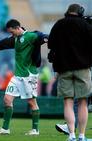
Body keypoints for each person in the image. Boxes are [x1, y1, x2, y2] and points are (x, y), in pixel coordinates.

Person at [0, 19, 48, 135]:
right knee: (7, 100)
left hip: (28, 75)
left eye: (12, 32)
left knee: (32, 102)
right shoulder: (15, 39)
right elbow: (2, 44)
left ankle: (35, 130)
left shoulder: (31, 36)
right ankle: (5, 129)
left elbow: (44, 37)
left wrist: (45, 38)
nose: (11, 34)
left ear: (17, 28)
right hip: (17, 75)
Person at [48, 4, 92, 141]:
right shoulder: (85, 25)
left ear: (68, 11)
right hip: (83, 68)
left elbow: (50, 45)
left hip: (63, 68)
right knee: (83, 102)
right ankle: (81, 136)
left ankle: (71, 135)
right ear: (80, 12)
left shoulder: (59, 24)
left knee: (68, 102)